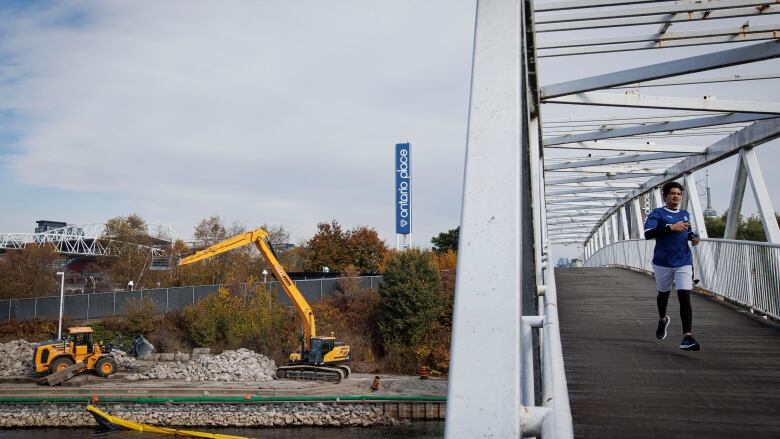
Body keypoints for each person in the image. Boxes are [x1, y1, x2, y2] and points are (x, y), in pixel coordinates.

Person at [644, 181, 701, 351]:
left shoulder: (685, 214)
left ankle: (687, 337)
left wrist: (693, 237)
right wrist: (670, 227)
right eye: (672, 194)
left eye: (679, 194)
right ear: (665, 196)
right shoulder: (657, 213)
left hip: (683, 261)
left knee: (685, 296)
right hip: (663, 262)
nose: (676, 196)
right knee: (663, 294)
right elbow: (648, 234)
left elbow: (687, 232)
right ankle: (663, 319)